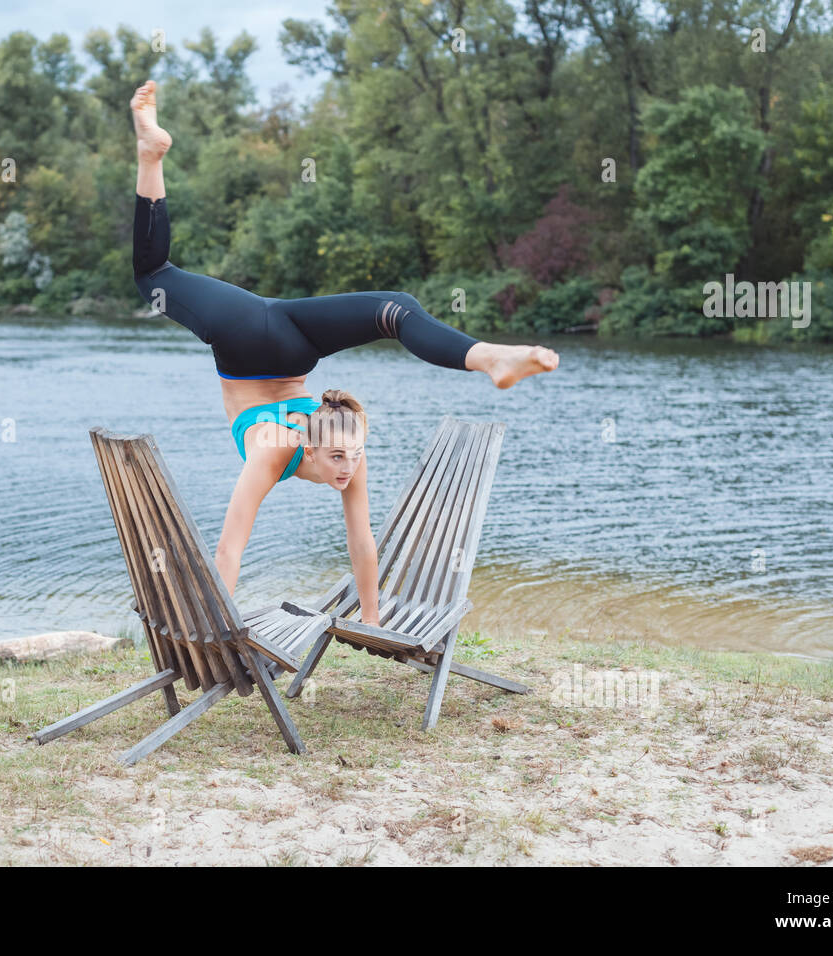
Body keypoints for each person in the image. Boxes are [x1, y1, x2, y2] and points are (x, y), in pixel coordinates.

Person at [129, 80, 559, 626]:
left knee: (394, 308)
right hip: (250, 337)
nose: (348, 468)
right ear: (307, 448)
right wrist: (222, 632)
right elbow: (227, 550)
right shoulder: (280, 449)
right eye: (339, 460)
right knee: (154, 275)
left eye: (351, 457)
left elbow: (362, 543)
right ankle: (151, 155)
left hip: (284, 333)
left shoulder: (342, 441)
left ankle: (487, 356)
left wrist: (373, 623)